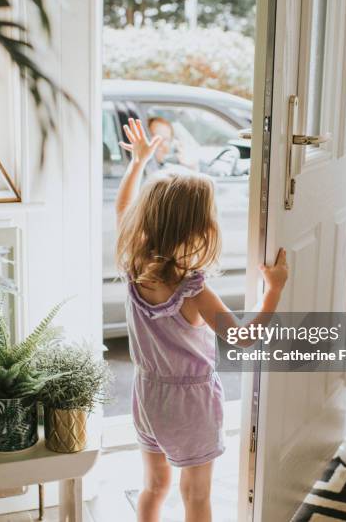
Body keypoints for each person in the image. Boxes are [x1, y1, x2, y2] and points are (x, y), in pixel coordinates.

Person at [115, 117, 289, 522]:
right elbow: (244, 339)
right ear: (201, 228)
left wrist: (138, 163)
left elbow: (125, 209)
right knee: (196, 496)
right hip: (190, 404)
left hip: (147, 395)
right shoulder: (192, 290)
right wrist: (275, 290)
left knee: (153, 486)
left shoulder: (134, 265)